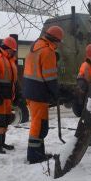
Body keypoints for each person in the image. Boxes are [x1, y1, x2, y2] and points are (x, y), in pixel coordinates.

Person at [22, 25, 64, 164]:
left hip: (31, 91)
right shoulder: (47, 52)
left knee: (39, 124)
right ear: (55, 40)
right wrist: (56, 93)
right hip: (38, 93)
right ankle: (34, 156)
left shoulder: (35, 49)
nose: (59, 45)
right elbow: (50, 77)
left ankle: (38, 153)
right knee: (38, 125)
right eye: (59, 42)